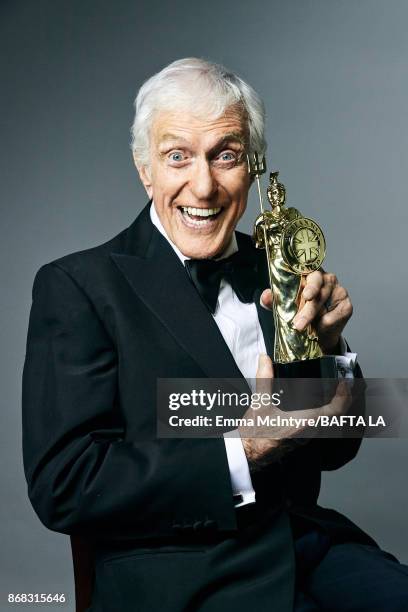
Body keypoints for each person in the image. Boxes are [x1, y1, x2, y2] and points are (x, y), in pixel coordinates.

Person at [22, 58, 408, 612]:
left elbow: (336, 449)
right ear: (144, 168)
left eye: (225, 156)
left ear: (251, 167)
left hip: (310, 546)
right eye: (177, 156)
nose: (203, 186)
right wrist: (243, 449)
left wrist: (333, 354)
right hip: (183, 576)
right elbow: (65, 483)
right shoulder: (79, 287)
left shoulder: (275, 266)